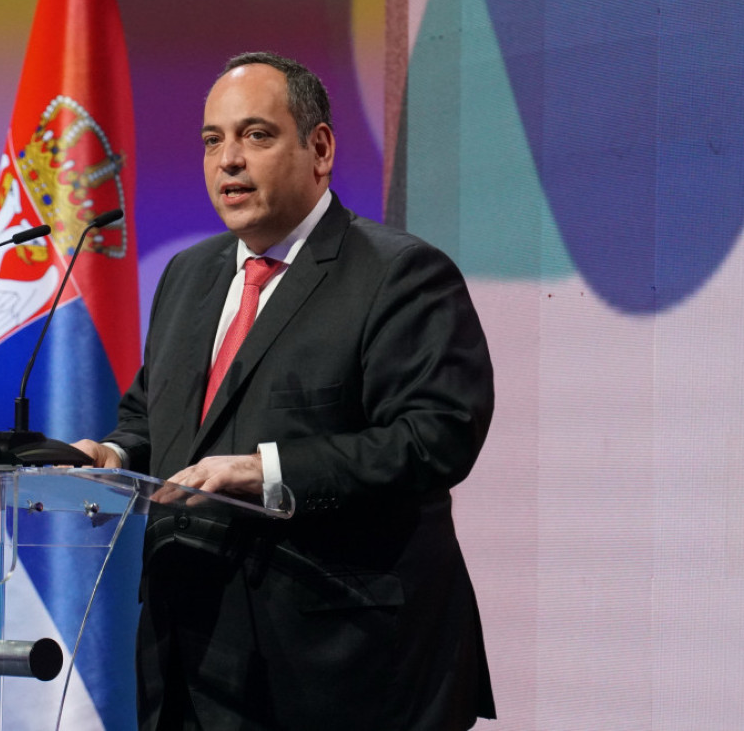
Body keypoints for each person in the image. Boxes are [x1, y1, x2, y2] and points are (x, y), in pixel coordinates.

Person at [74, 51, 496, 730]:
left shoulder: (399, 275)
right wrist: (115, 455)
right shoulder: (187, 276)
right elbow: (153, 417)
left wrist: (266, 471)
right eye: (212, 140)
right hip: (192, 657)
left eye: (256, 135)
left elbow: (436, 437)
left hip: (343, 671)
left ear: (319, 148)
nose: (228, 161)